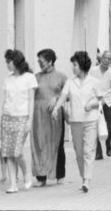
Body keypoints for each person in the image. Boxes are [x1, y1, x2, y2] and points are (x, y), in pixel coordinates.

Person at [51, 51, 102, 193]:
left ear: (82, 65)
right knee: (79, 151)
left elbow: (100, 101)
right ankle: (83, 176)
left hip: (90, 120)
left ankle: (87, 179)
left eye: (75, 65)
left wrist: (91, 105)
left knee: (88, 150)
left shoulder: (94, 82)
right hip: (75, 120)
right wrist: (56, 108)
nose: (73, 68)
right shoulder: (70, 82)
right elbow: (63, 96)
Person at [0, 49, 38, 193]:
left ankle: (26, 172)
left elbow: (31, 101)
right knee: (8, 152)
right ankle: (13, 185)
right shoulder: (7, 79)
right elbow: (5, 100)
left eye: (8, 61)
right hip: (7, 117)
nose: (7, 64)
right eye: (6, 62)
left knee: (17, 151)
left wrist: (30, 120)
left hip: (23, 117)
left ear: (16, 61)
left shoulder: (29, 78)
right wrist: (3, 116)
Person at [31, 49, 67, 187]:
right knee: (39, 144)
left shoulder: (61, 77)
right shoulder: (36, 77)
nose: (39, 64)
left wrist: (57, 98)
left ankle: (59, 174)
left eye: (42, 61)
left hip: (55, 115)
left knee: (57, 144)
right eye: (38, 61)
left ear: (50, 61)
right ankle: (41, 177)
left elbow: (69, 94)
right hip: (38, 115)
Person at [91, 50, 111, 160]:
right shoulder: (93, 71)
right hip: (94, 101)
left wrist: (106, 99)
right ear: (101, 58)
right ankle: (98, 152)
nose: (106, 60)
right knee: (93, 126)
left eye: (109, 59)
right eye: (104, 58)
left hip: (107, 102)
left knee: (109, 125)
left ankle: (108, 143)